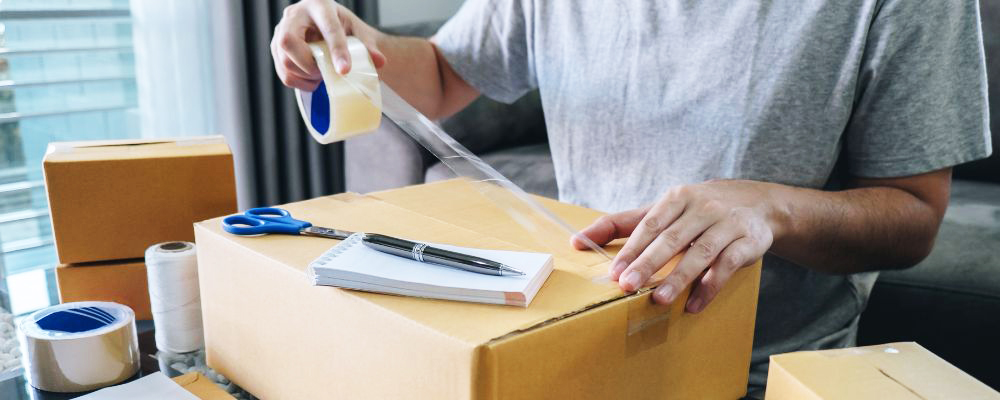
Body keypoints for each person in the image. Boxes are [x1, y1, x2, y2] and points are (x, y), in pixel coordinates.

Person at [270, 0, 992, 393]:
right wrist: (349, 46)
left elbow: (913, 214)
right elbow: (437, 74)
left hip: (762, 368)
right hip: (577, 344)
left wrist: (769, 207)